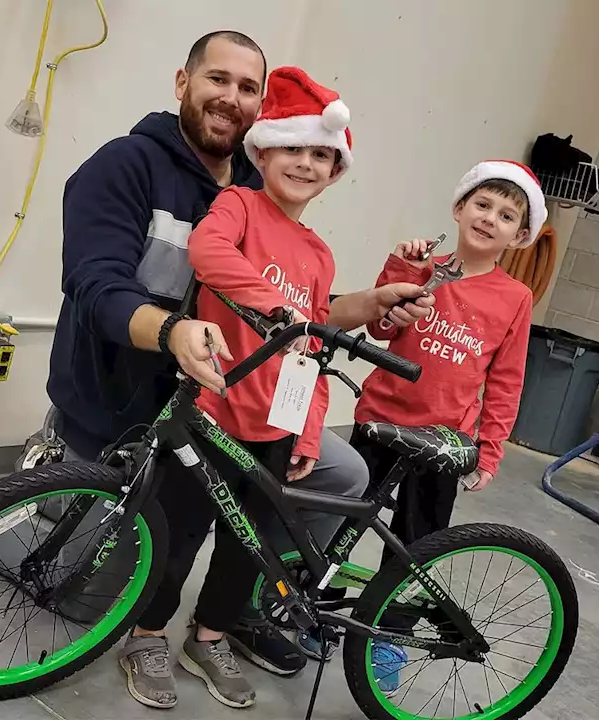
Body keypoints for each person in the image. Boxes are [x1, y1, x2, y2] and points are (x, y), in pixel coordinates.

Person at [44, 31, 435, 709]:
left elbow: (308, 331)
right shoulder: (138, 169)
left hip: (264, 416)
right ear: (181, 82)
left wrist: (364, 311)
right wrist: (183, 327)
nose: (231, 97)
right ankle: (126, 602)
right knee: (93, 590)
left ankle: (225, 623)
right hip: (128, 409)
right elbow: (107, 281)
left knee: (255, 532)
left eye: (248, 87)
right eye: (216, 79)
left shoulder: (293, 223)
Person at [121, 66, 353, 710]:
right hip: (212, 414)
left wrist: (309, 427)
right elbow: (208, 252)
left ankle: (210, 637)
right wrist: (272, 303)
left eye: (321, 155)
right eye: (294, 148)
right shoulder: (239, 206)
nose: (306, 164)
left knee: (246, 548)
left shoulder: (320, 253)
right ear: (263, 149)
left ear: (334, 172)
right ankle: (146, 636)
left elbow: (313, 346)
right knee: (176, 534)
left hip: (277, 428)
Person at [349, 160, 545, 694]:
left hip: (440, 442)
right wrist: (399, 264)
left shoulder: (514, 299)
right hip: (378, 420)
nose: (490, 219)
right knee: (336, 522)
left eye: (507, 215)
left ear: (520, 236)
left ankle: (390, 637)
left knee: (417, 546)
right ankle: (310, 606)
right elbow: (378, 327)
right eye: (482, 204)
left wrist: (491, 448)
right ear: (459, 208)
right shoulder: (422, 266)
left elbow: (506, 379)